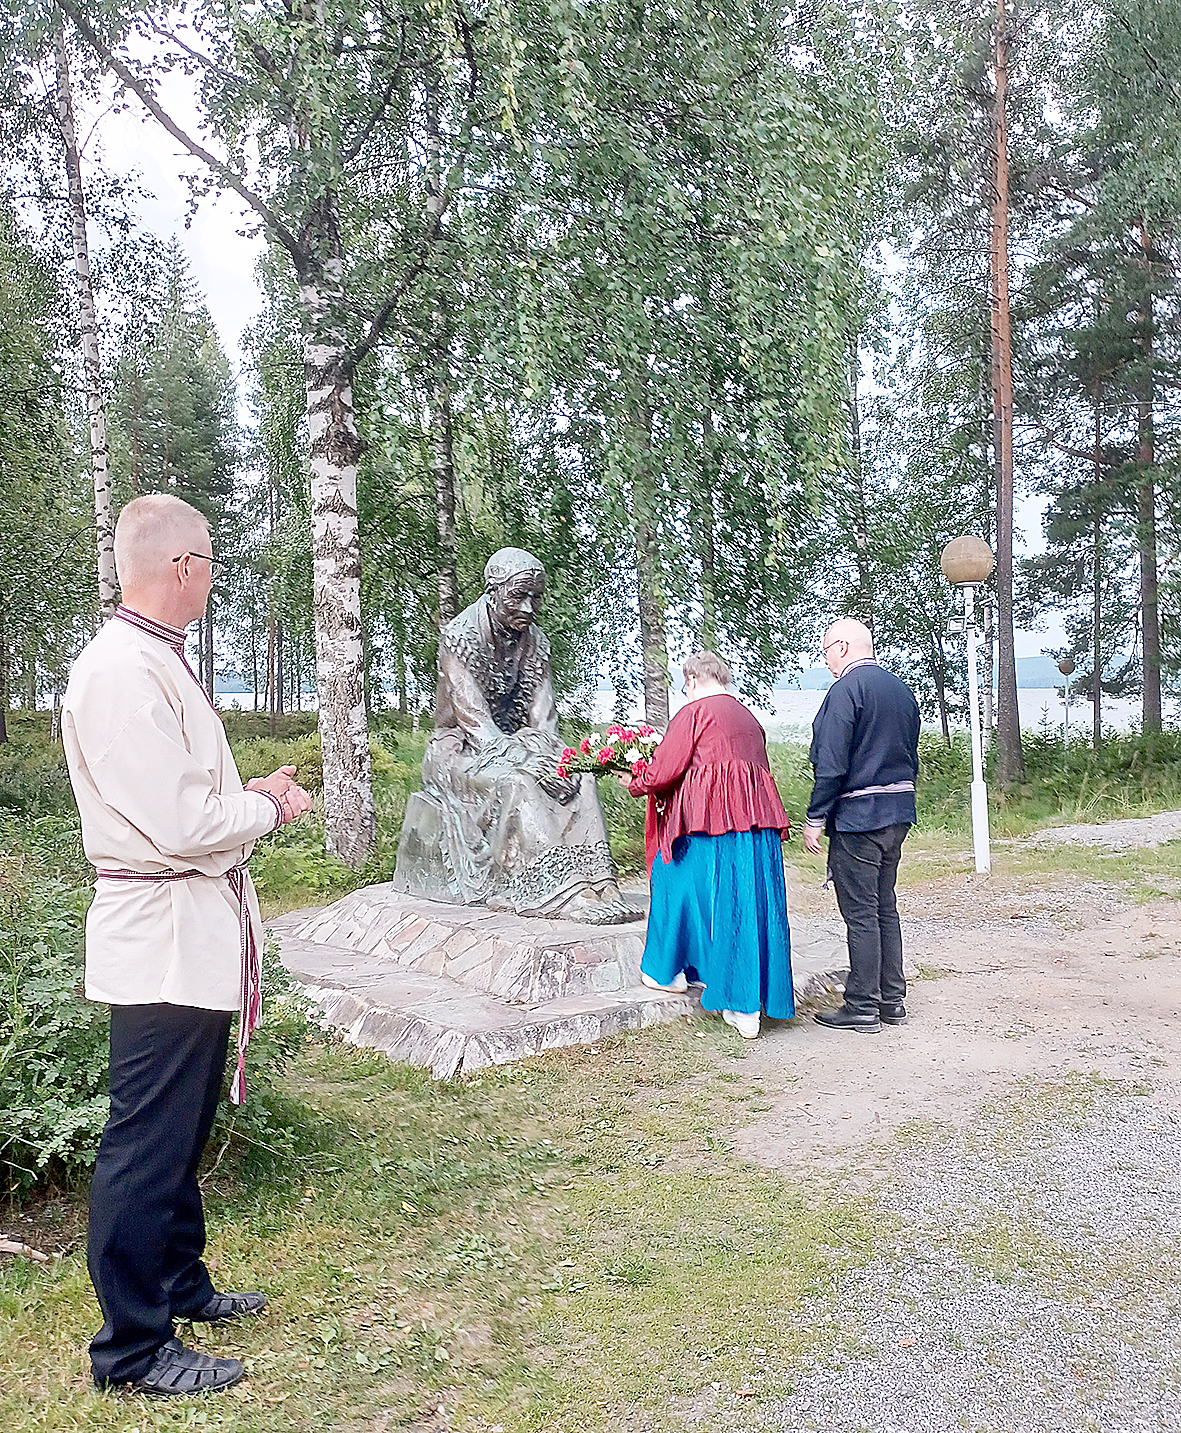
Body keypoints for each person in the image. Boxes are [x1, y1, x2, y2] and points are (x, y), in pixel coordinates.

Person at [61, 494, 312, 1397]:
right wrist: (267, 808)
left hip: (191, 930)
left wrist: (245, 796)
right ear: (181, 567)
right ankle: (131, 1349)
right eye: (210, 559)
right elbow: (178, 821)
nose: (213, 575)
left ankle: (178, 1283)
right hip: (162, 937)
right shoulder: (122, 671)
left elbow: (191, 800)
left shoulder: (150, 660)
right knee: (147, 1140)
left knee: (182, 1125)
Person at [395, 547, 633, 923]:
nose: (528, 607)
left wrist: (554, 757)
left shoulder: (537, 641)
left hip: (519, 743)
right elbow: (475, 722)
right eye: (518, 595)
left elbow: (544, 716)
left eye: (536, 597)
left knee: (579, 776)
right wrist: (527, 759)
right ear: (493, 591)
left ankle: (598, 882)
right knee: (519, 783)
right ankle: (556, 889)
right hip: (461, 750)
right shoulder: (459, 637)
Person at [624, 652, 794, 1038]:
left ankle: (670, 973)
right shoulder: (748, 718)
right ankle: (746, 998)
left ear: (695, 679)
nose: (685, 689)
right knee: (746, 903)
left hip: (710, 822)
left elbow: (666, 769)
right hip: (755, 824)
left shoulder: (695, 713)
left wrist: (635, 782)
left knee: (672, 881)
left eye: (686, 683)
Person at [803, 618, 921, 1034]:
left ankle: (862, 1005)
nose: (826, 661)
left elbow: (831, 763)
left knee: (861, 913)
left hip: (858, 817)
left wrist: (816, 817)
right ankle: (893, 1000)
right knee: (885, 907)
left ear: (843, 647)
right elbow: (910, 752)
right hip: (898, 812)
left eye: (825, 652)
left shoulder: (845, 692)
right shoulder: (901, 690)